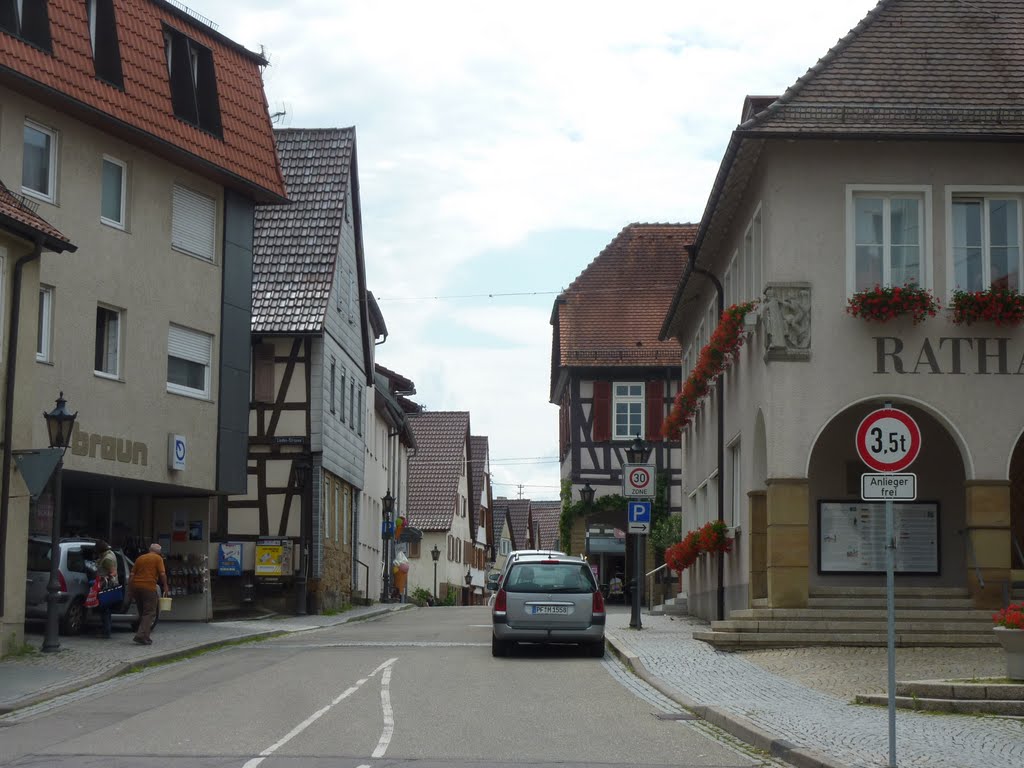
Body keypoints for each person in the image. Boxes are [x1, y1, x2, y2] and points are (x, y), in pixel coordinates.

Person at [128, 543, 169, 645]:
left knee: (143, 612)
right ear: (158, 552)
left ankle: (146, 637)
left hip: (136, 587)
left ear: (150, 550)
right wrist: (165, 586)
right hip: (149, 587)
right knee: (150, 612)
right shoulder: (158, 558)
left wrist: (130, 588)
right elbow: (162, 573)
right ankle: (140, 635)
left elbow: (132, 574)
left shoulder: (140, 558)